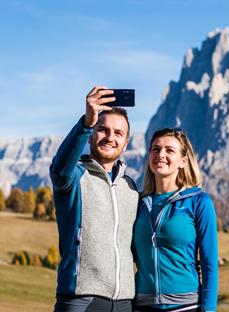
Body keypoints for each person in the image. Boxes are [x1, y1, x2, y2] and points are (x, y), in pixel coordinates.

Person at [50, 86, 139, 312]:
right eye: (103, 130)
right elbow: (59, 170)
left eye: (118, 133)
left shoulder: (130, 188)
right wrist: (86, 122)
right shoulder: (74, 177)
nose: (110, 137)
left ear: (126, 143)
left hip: (124, 303)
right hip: (80, 300)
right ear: (91, 136)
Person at [133, 128, 218, 312]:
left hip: (185, 306)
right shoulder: (137, 203)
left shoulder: (199, 201)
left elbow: (209, 264)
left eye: (169, 150)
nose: (160, 154)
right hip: (141, 306)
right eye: (155, 149)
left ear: (183, 161)